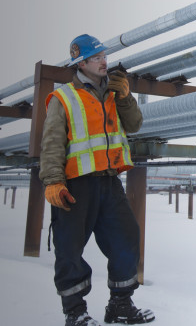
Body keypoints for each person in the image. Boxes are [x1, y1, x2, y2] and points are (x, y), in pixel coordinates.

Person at [39, 34, 155, 326]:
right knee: (69, 248)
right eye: (97, 58)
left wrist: (125, 96)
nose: (104, 61)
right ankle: (75, 312)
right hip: (75, 185)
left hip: (109, 181)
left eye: (104, 55)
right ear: (81, 63)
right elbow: (51, 142)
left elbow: (135, 124)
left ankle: (120, 304)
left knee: (126, 239)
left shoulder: (115, 93)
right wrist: (53, 180)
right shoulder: (64, 97)